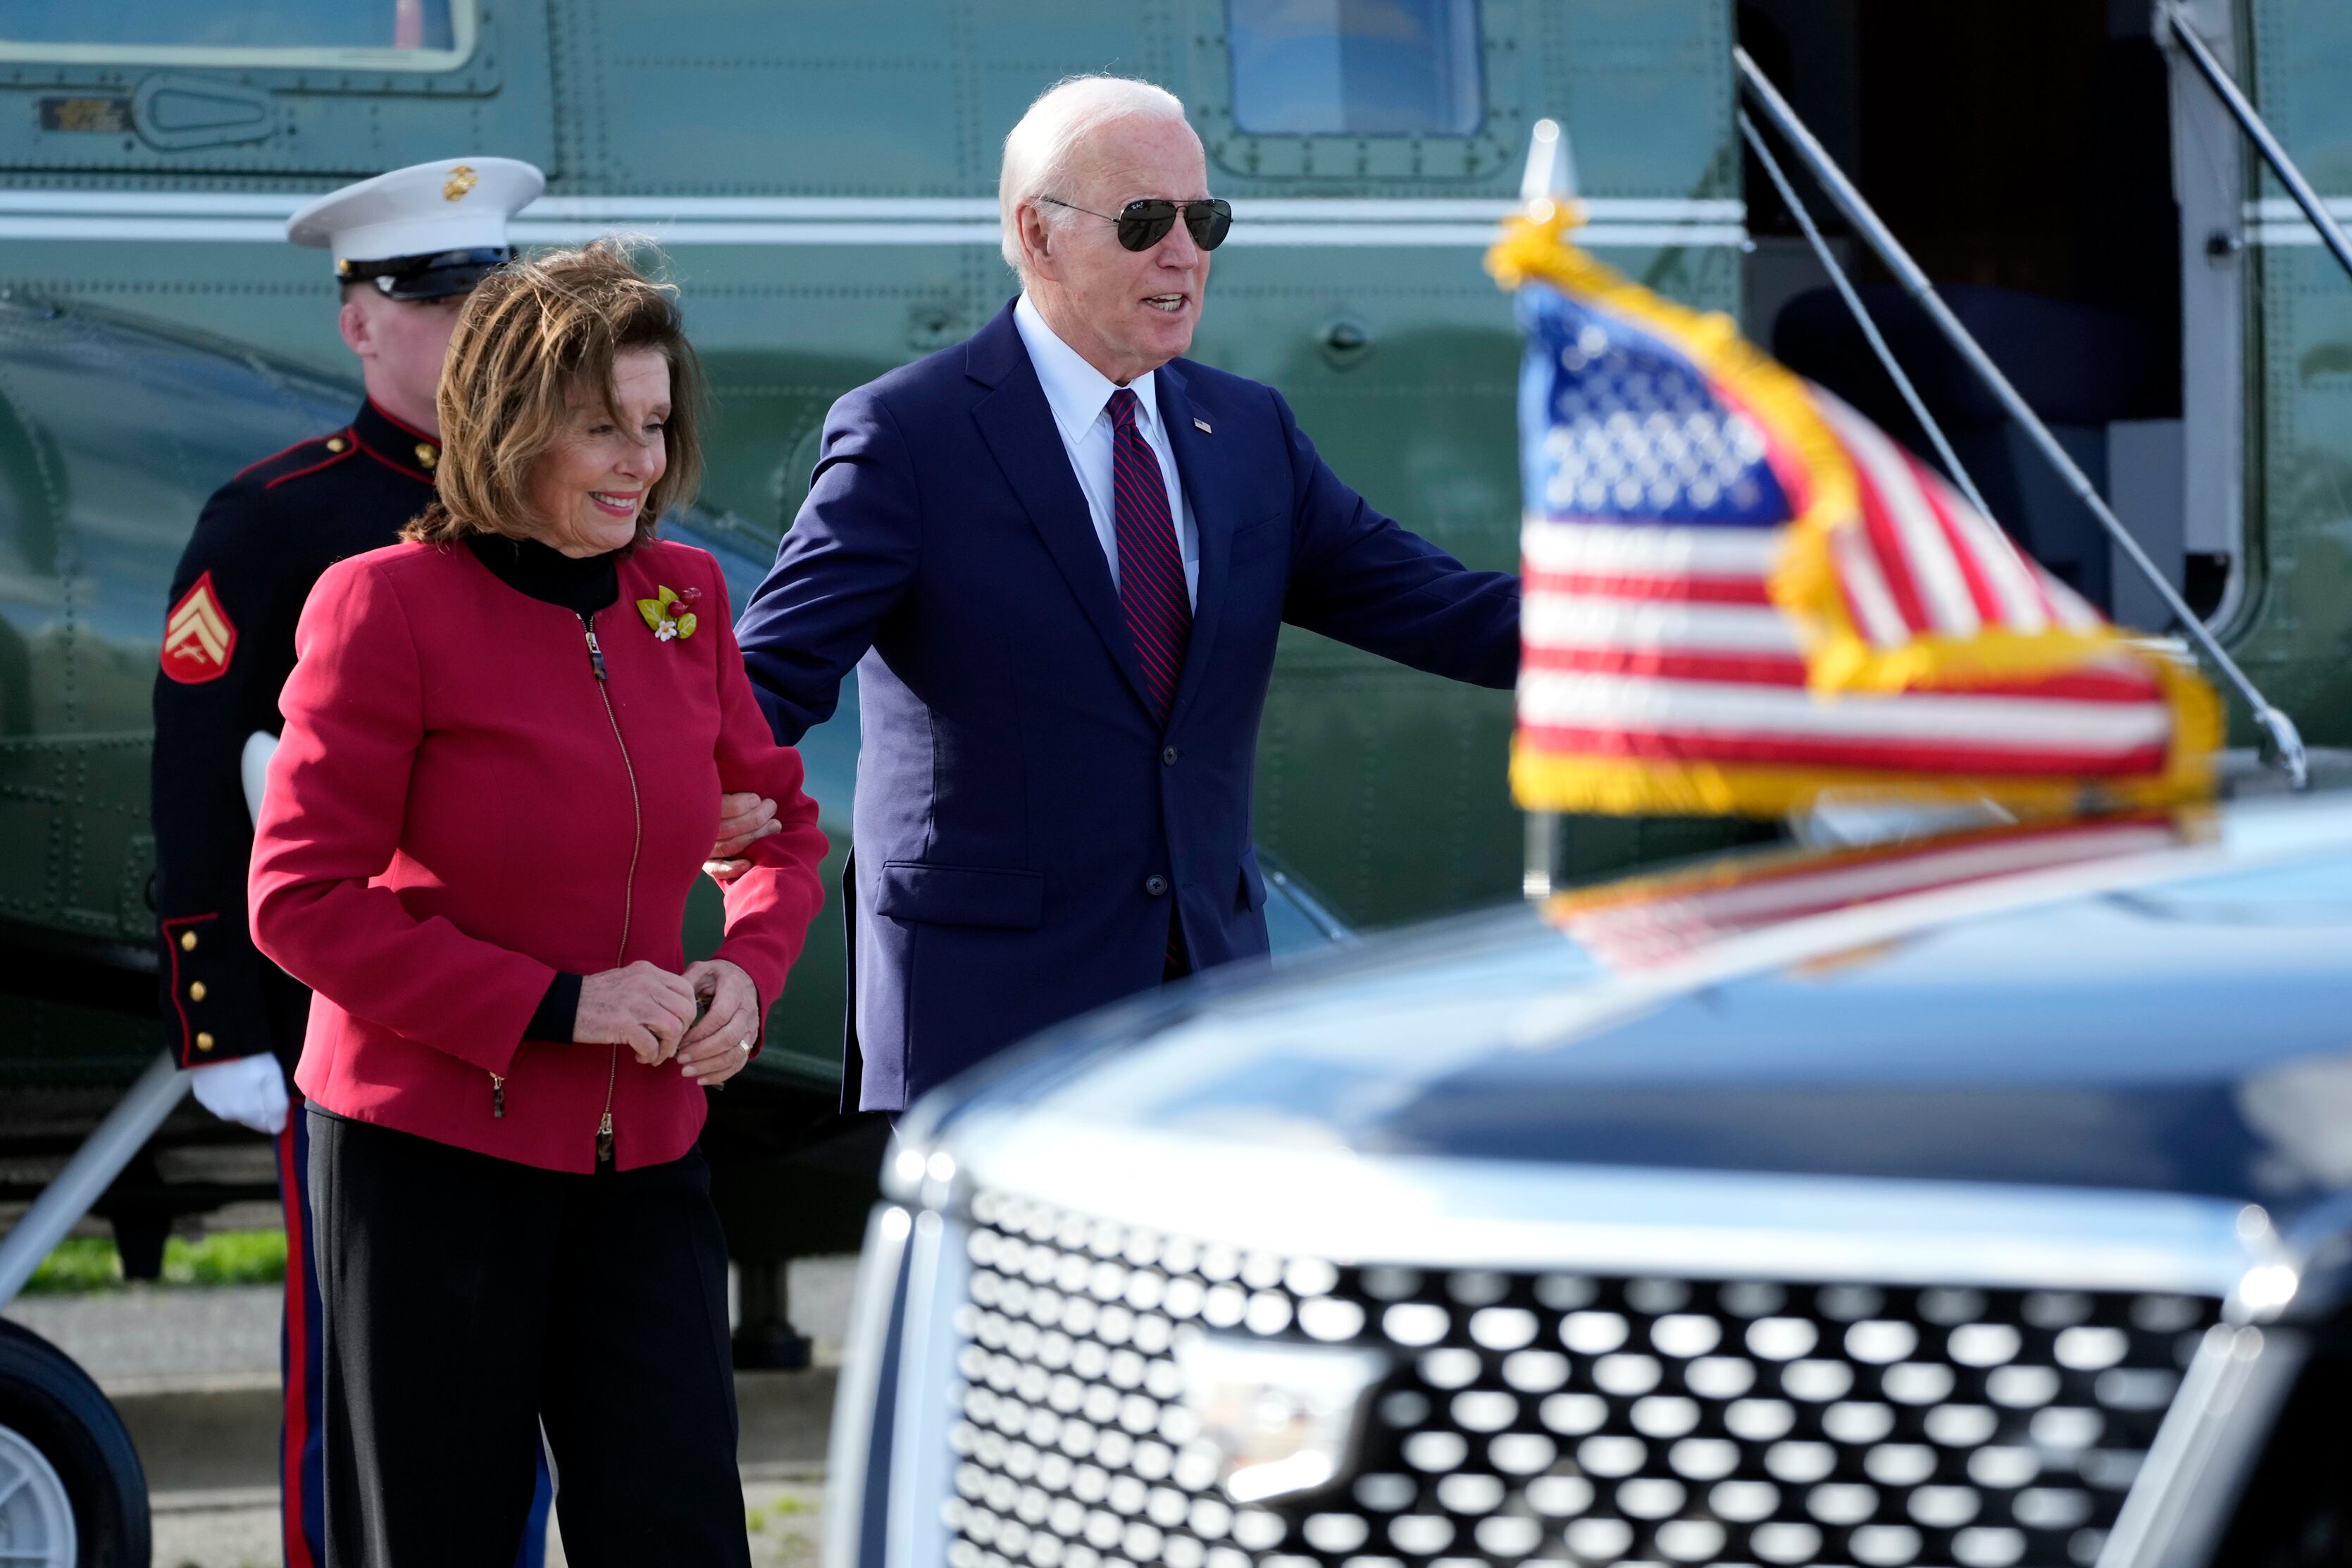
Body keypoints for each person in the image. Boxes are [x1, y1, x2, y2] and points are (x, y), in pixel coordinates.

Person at [732, 75, 1520, 1114]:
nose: (1184, 253)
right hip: (988, 1025)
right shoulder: (911, 438)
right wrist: (664, 807)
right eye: (1146, 220)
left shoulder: (1249, 435)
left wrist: (1683, 628)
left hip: (1206, 1017)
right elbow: (765, 679)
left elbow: (1444, 609)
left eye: (1206, 221)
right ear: (1039, 234)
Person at [247, 239, 828, 1567]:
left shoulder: (684, 597)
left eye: (655, 424)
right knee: (437, 1540)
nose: (638, 459)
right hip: (432, 1165)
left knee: (681, 1532)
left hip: (650, 1158)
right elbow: (299, 902)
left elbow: (782, 829)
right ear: (510, 425)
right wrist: (562, 1004)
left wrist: (747, 968)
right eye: (600, 428)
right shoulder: (381, 604)